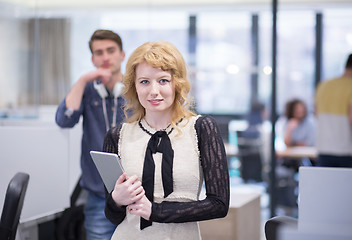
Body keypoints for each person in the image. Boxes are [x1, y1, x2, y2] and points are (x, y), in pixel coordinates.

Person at [102, 41, 230, 239]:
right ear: (134, 86)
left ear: (177, 83)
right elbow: (113, 216)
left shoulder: (201, 128)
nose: (154, 91)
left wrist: (156, 212)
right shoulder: (117, 135)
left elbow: (219, 204)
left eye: (163, 80)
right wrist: (116, 200)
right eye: (144, 81)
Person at [55, 29, 126, 239]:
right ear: (93, 58)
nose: (105, 57)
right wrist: (84, 79)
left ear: (122, 55)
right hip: (98, 193)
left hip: (137, 191)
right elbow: (64, 120)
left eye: (110, 50)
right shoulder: (86, 90)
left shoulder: (137, 89)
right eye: (99, 52)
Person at [315, 52, 352, 168]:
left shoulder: (324, 85)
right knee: (349, 186)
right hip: (348, 150)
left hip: (324, 149)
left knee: (326, 185)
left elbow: (316, 114)